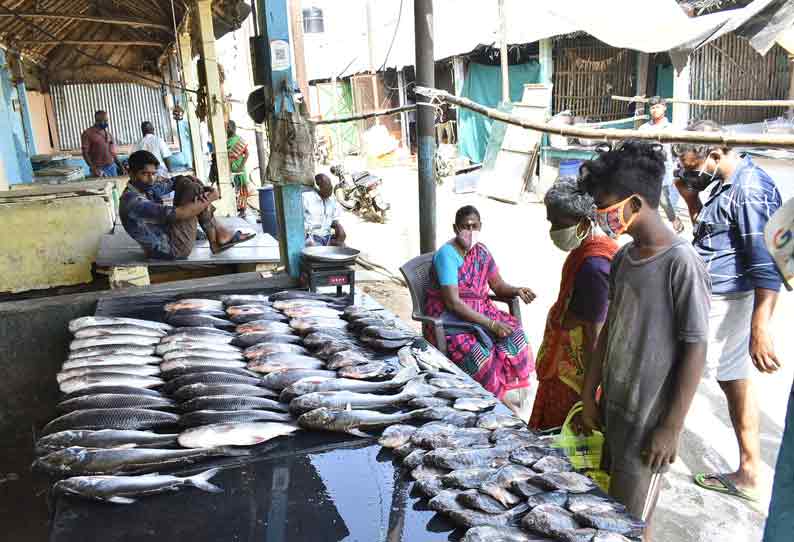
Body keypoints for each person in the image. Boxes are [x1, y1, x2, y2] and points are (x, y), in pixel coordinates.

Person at [578, 141, 711, 535]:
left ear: (634, 204)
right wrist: (589, 392)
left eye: (606, 208)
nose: (602, 218)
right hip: (615, 411)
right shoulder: (624, 257)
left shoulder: (681, 264)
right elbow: (609, 331)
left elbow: (695, 348)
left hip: (649, 423)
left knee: (632, 523)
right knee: (613, 512)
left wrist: (671, 427)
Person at [674, 120, 783, 503]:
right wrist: (690, 198)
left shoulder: (750, 190)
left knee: (698, 369)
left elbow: (766, 262)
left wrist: (760, 328)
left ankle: (749, 469)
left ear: (716, 154)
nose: (689, 173)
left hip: (729, 299)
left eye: (692, 166)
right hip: (714, 293)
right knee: (730, 375)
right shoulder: (724, 182)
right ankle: (749, 468)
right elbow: (715, 237)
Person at [423, 205, 536, 416]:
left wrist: (517, 289)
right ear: (456, 228)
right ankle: (497, 407)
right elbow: (453, 303)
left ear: (481, 226)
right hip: (451, 322)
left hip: (480, 313)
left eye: (475, 226)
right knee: (482, 355)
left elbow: (498, 286)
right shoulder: (447, 255)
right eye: (466, 226)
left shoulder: (481, 252)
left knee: (515, 335)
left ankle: (510, 395)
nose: (470, 230)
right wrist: (492, 324)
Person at [529, 177, 619, 430]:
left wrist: (589, 393)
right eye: (550, 222)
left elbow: (596, 332)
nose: (553, 230)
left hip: (574, 375)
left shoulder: (594, 266)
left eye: (558, 223)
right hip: (569, 361)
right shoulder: (589, 249)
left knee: (561, 435)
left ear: (583, 222)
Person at [119, 150, 255, 259]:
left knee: (188, 183)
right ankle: (217, 238)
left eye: (154, 174)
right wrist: (209, 198)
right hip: (173, 249)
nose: (151, 179)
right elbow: (180, 213)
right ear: (131, 174)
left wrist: (191, 180)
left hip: (168, 236)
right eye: (145, 174)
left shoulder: (146, 186)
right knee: (193, 189)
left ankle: (217, 236)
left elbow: (175, 181)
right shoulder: (132, 202)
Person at [638, 96, 684, 233]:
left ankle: (674, 219)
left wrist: (679, 163)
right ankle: (651, 227)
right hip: (647, 167)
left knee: (663, 198)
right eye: (652, 107)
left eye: (657, 107)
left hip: (664, 167)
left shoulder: (671, 128)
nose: (654, 110)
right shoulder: (643, 128)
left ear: (664, 108)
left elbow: (677, 148)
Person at [303, 173, 346, 246]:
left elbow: (334, 219)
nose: (330, 189)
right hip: (311, 238)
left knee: (342, 247)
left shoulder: (332, 199)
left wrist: (339, 227)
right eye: (326, 186)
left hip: (327, 237)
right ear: (318, 187)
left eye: (330, 186)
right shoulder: (306, 198)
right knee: (318, 252)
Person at [81, 110, 122, 177]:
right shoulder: (88, 133)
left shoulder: (108, 134)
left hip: (111, 167)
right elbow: (85, 153)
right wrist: (93, 168)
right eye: (104, 121)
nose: (106, 123)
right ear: (97, 121)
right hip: (98, 169)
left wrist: (121, 166)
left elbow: (113, 153)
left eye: (107, 120)